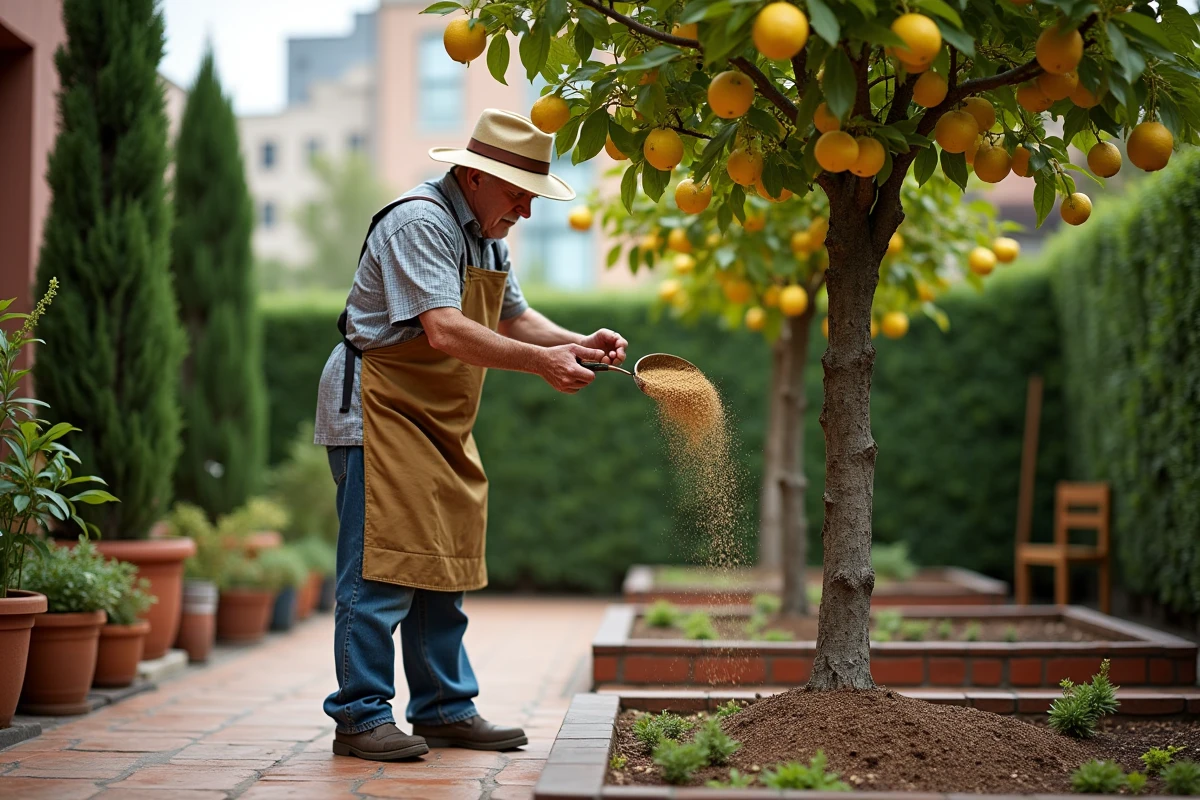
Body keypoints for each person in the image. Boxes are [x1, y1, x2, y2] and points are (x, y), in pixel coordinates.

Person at [312, 108, 628, 761]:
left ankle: (443, 709)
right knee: (379, 571)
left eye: (532, 196)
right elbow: (445, 330)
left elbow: (514, 319)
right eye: (518, 193)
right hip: (378, 412)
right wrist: (543, 364)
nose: (526, 210)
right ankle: (361, 716)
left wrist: (576, 343)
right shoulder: (420, 222)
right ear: (475, 176)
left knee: (442, 564)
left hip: (436, 418)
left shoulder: (487, 236)